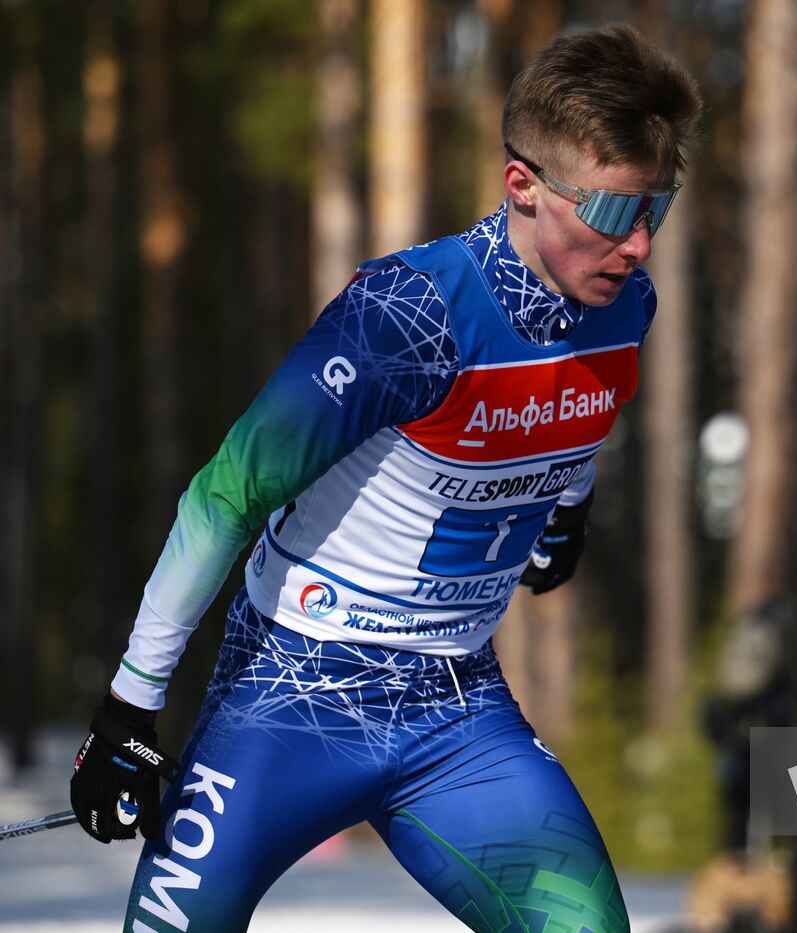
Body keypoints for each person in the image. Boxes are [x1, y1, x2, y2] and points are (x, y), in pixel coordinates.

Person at [68, 25, 702, 933]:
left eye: (657, 210)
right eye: (609, 213)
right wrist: (130, 703)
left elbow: (575, 406)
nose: (637, 245)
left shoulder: (621, 303)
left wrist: (568, 506)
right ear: (521, 184)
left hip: (456, 711)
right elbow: (225, 493)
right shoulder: (407, 318)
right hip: (291, 695)